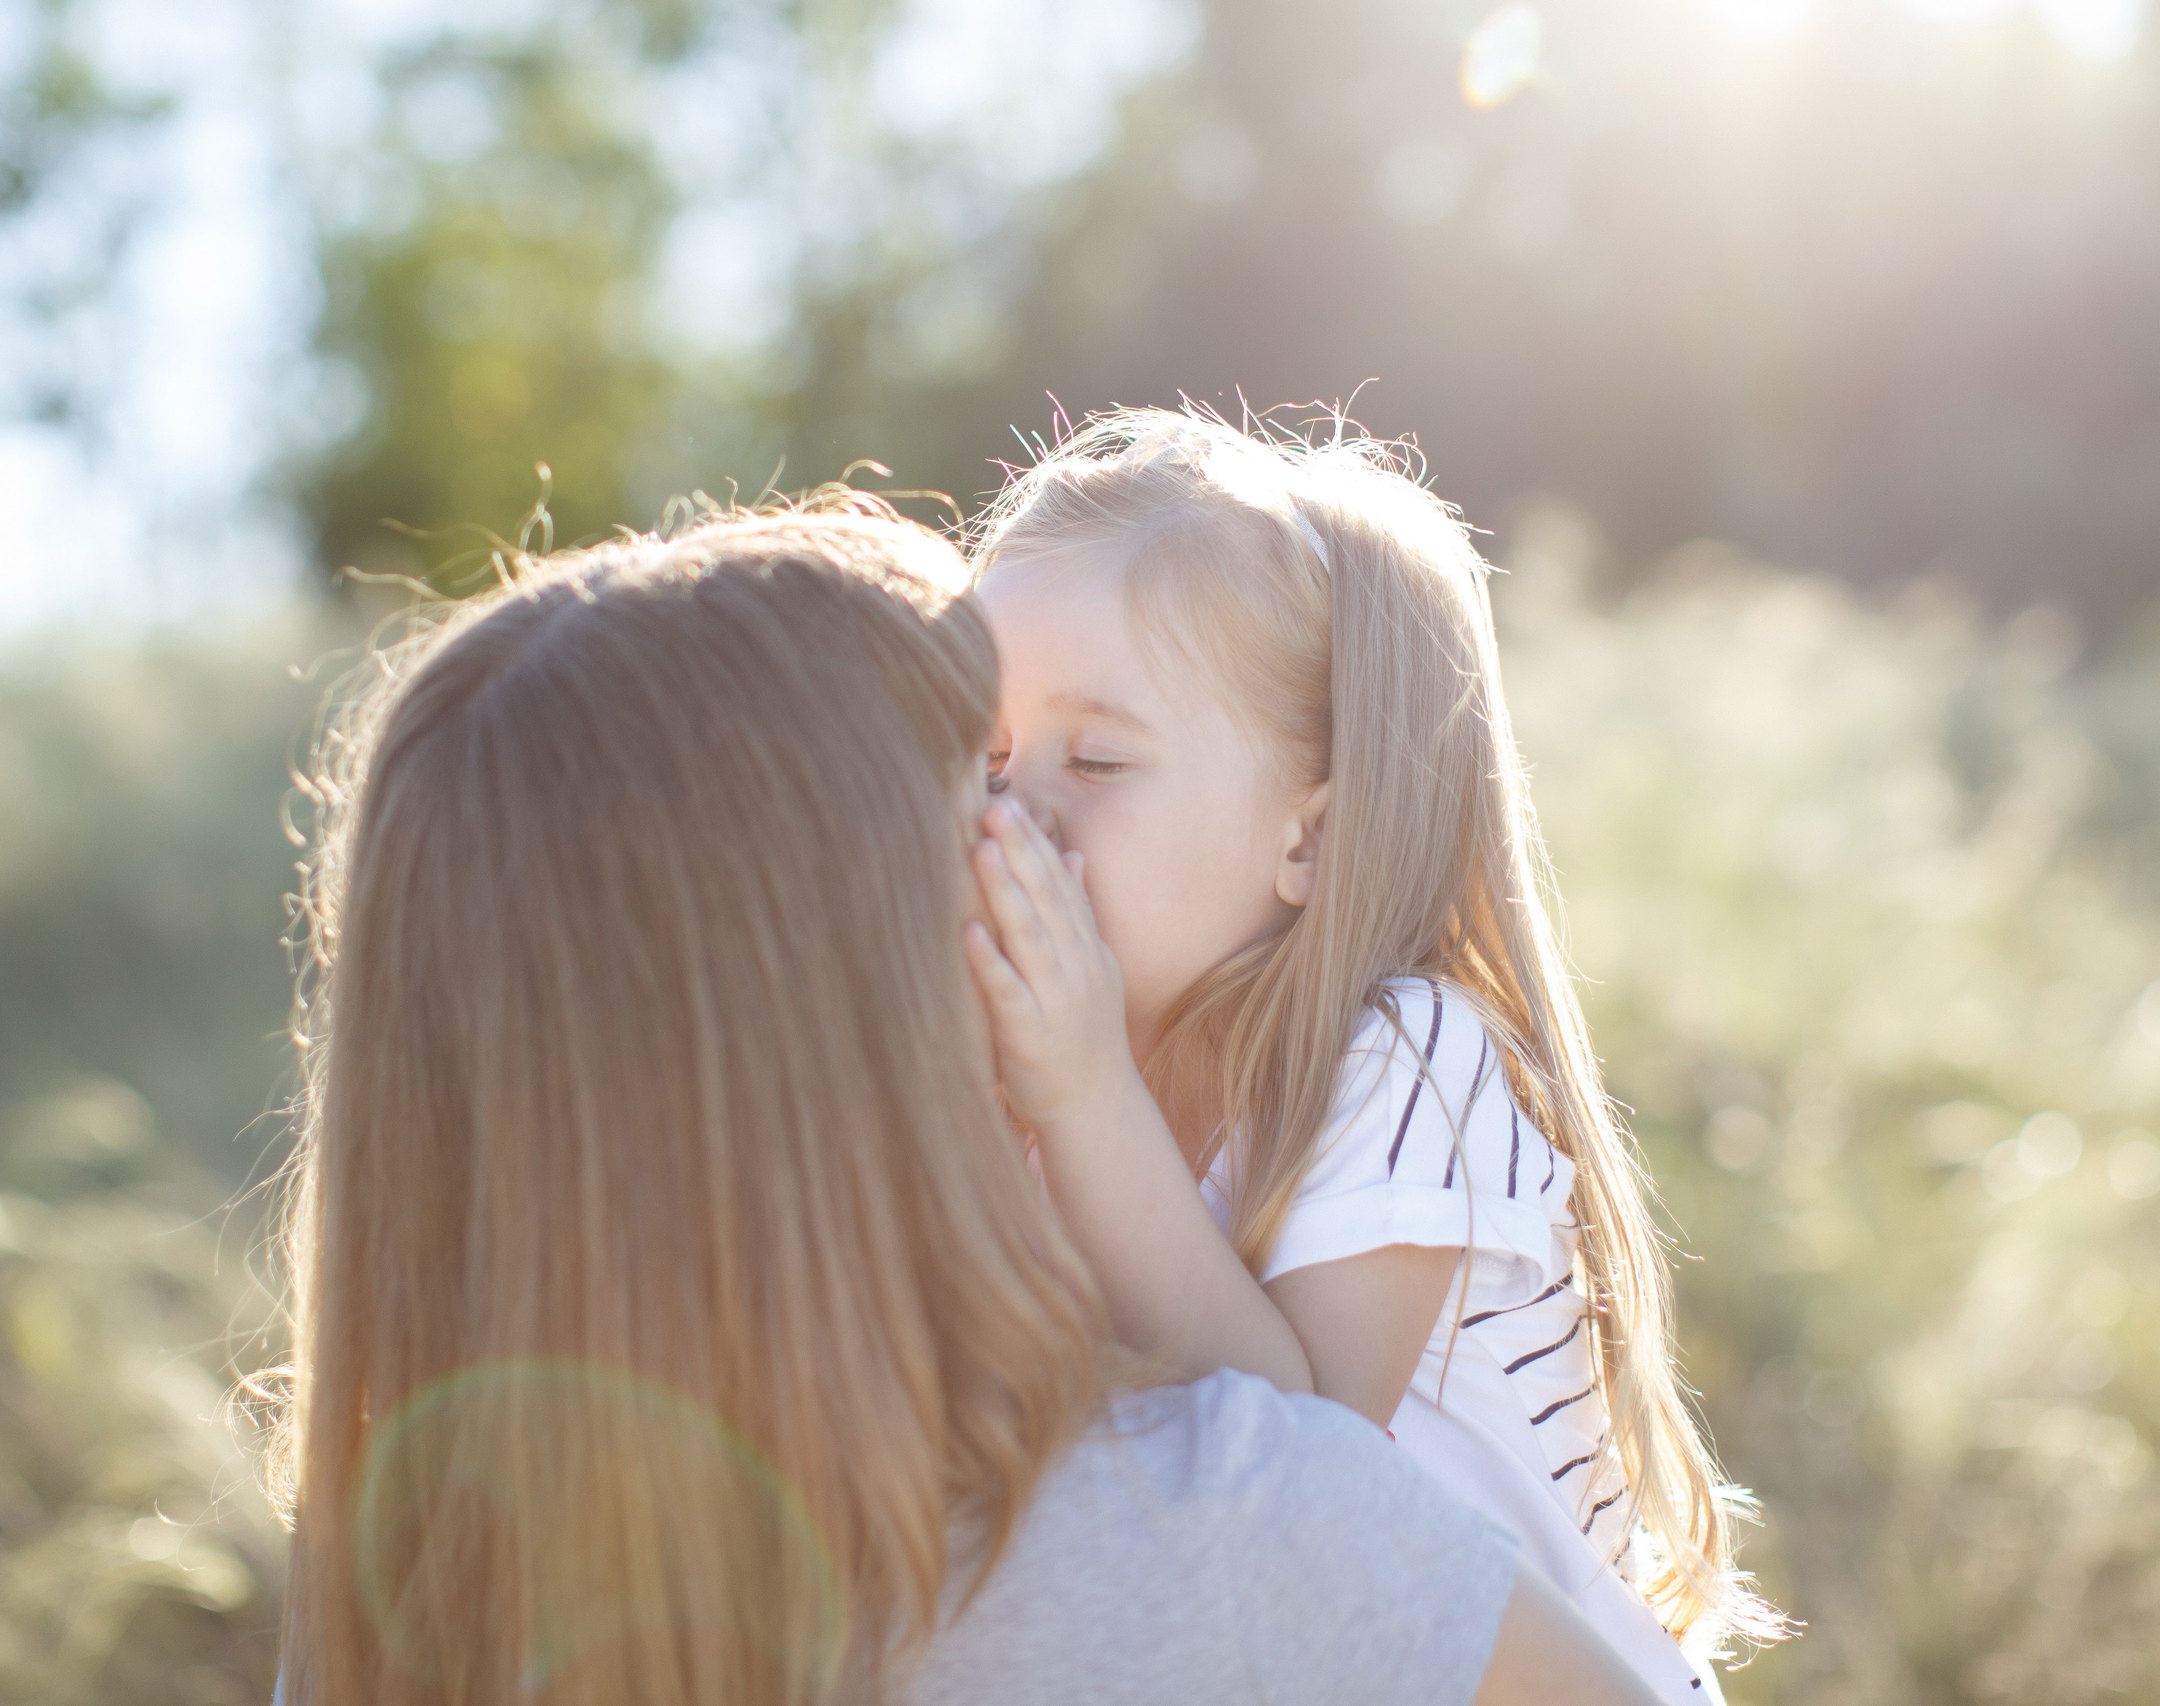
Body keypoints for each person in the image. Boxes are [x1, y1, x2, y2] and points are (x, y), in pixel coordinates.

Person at [263, 495, 1664, 1705]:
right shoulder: (1215, 1530)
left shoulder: (387, 1614)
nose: (1029, 845)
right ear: (842, 982)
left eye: (1089, 765)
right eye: (981, 798)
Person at [960, 410, 1786, 1702]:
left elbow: (1299, 1470)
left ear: (1309, 837)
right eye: (990, 755)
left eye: (1099, 756)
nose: (1016, 810)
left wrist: (1078, 1095)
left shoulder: (1400, 1056)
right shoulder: (1056, 1076)